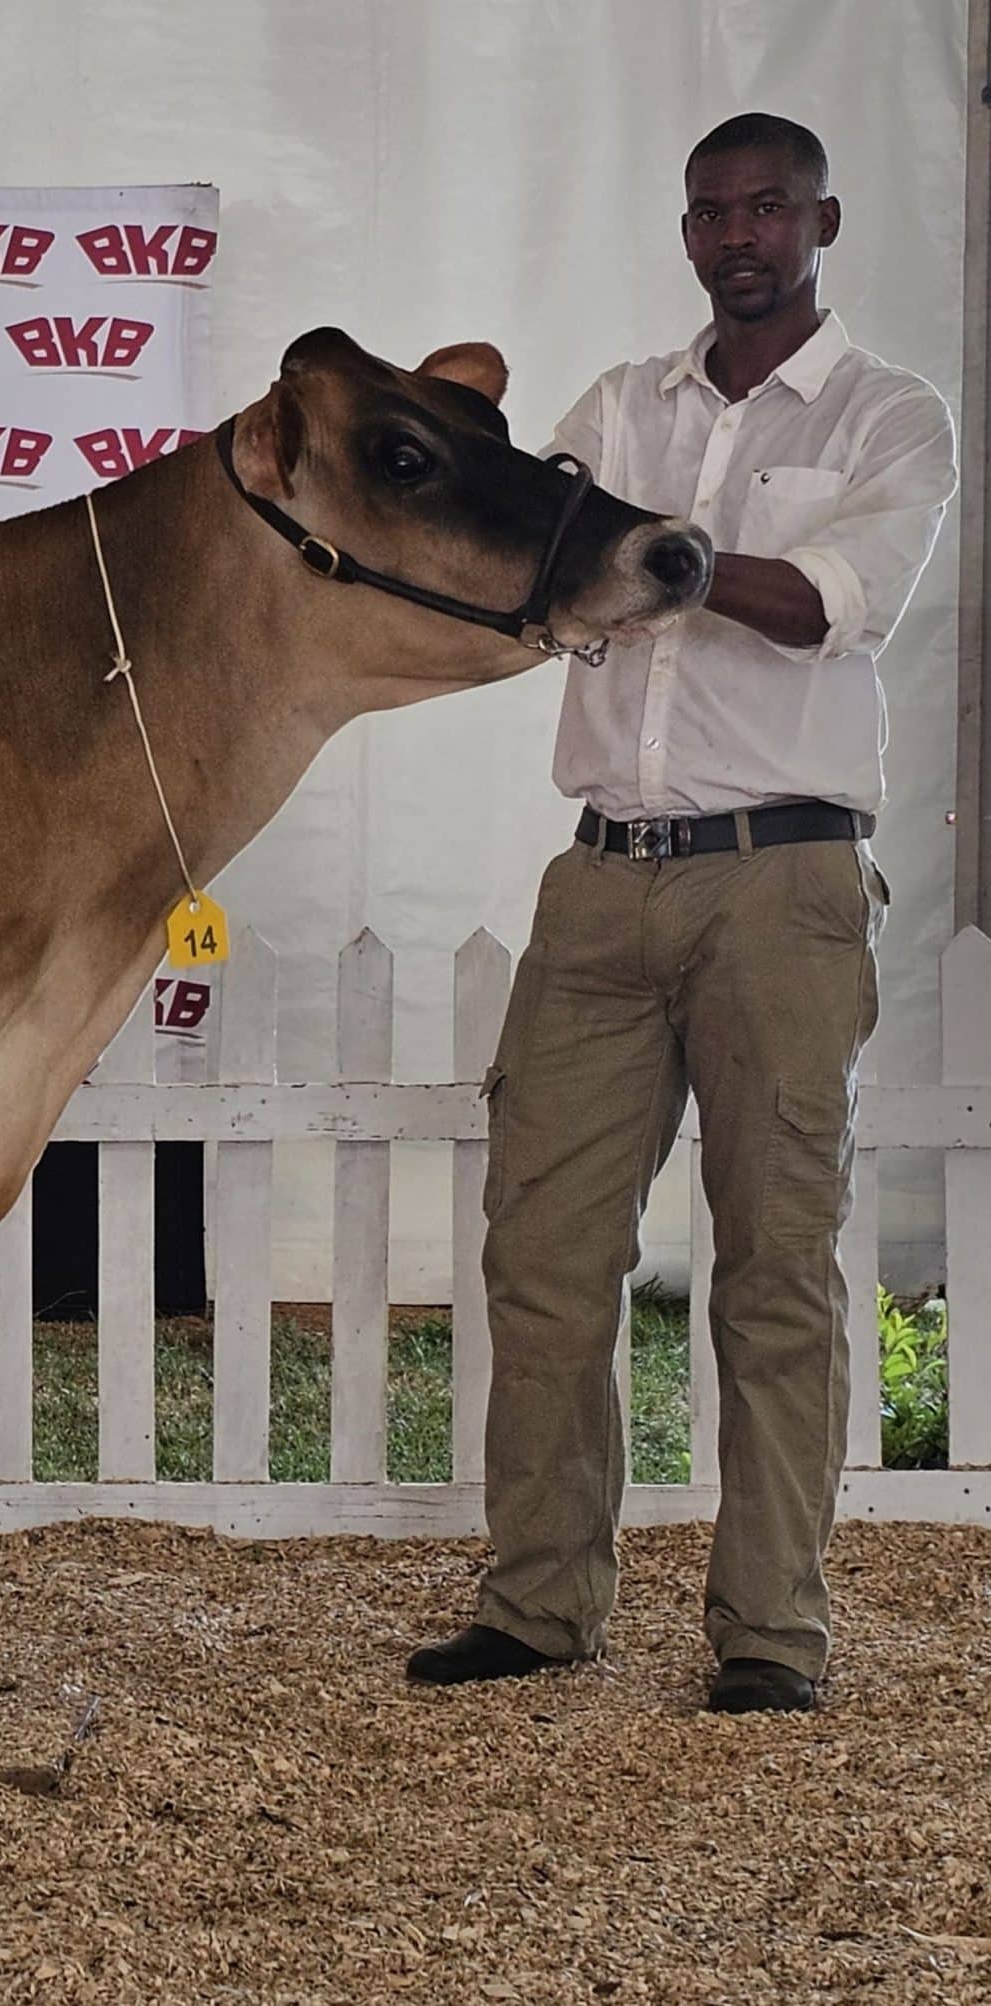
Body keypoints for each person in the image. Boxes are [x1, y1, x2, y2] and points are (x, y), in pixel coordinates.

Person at [407, 113, 958, 1712]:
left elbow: (828, 608)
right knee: (544, 1254)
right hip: (601, 878)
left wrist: (655, 555)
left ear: (826, 219)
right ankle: (539, 1602)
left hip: (784, 881)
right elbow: (518, 569)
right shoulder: (613, 406)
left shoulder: (887, 418)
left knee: (776, 1262)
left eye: (770, 206)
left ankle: (772, 1630)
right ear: (689, 230)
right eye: (714, 210)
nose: (741, 234)